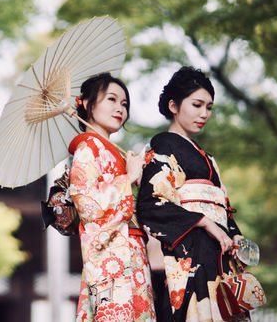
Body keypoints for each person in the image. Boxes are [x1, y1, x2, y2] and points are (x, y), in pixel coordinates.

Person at [136, 66, 249, 322]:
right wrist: (205, 221)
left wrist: (235, 235)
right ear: (174, 106)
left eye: (209, 107)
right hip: (189, 252)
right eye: (197, 104)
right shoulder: (163, 144)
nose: (204, 113)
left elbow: (223, 208)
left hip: (218, 253)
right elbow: (152, 204)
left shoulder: (207, 158)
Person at [68, 72, 156, 322]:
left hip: (133, 249)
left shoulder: (114, 154)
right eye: (111, 99)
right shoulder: (87, 149)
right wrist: (127, 178)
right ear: (86, 104)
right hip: (110, 256)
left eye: (124, 104)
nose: (120, 108)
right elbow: (87, 205)